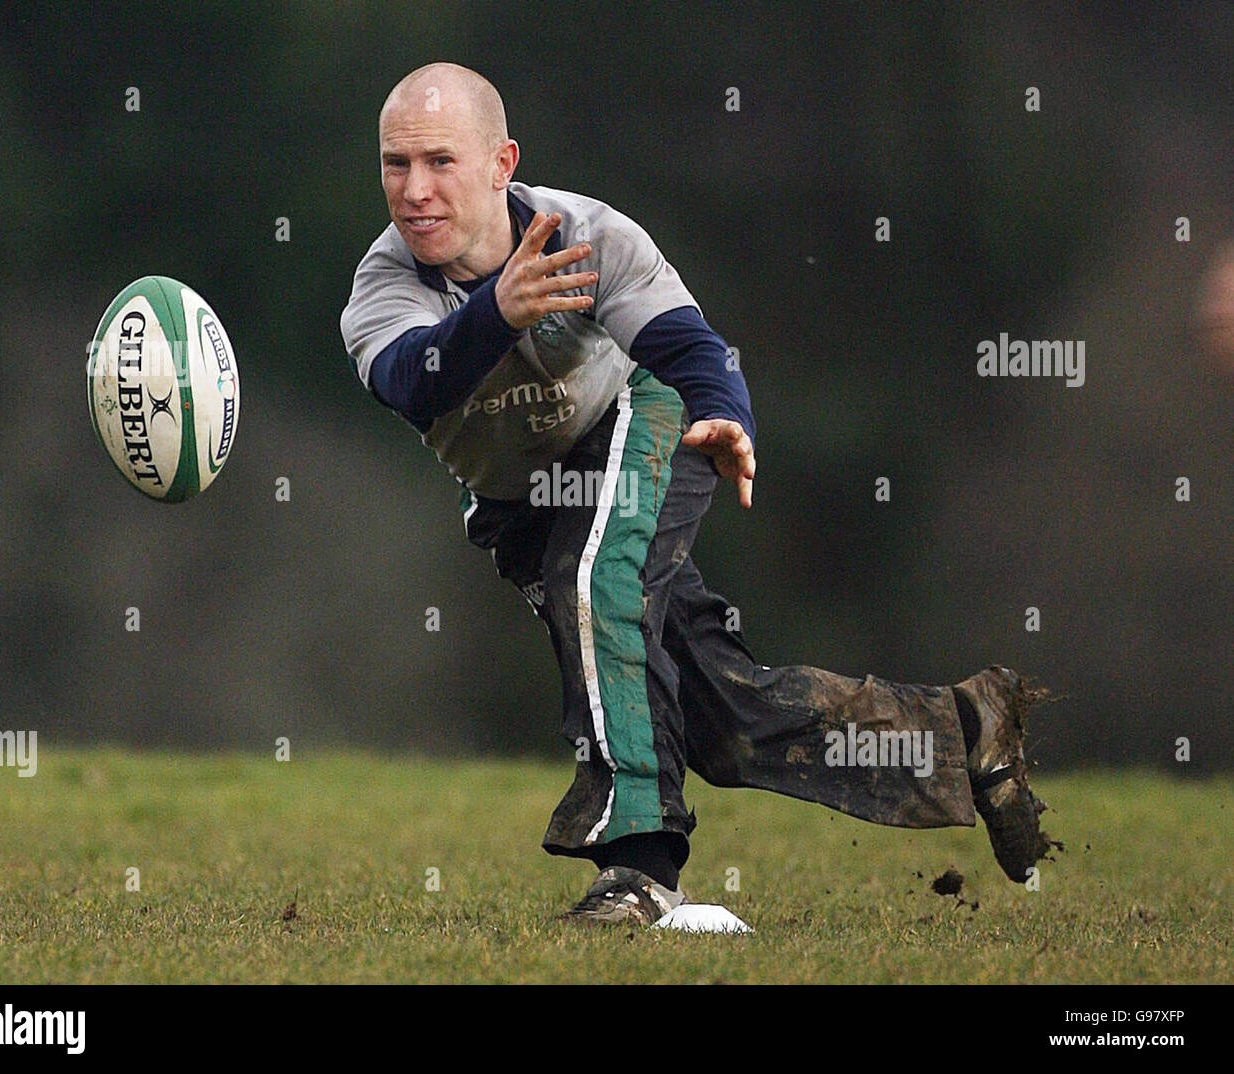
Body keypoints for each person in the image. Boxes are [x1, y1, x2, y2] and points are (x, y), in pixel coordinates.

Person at [340, 62, 1052, 926]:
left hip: (642, 420)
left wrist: (725, 417)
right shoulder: (381, 287)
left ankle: (638, 867)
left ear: (501, 163)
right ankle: (960, 735)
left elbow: (688, 346)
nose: (413, 190)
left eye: (439, 161)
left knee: (594, 576)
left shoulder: (591, 235)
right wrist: (499, 309)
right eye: (395, 164)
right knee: (720, 715)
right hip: (521, 506)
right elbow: (416, 381)